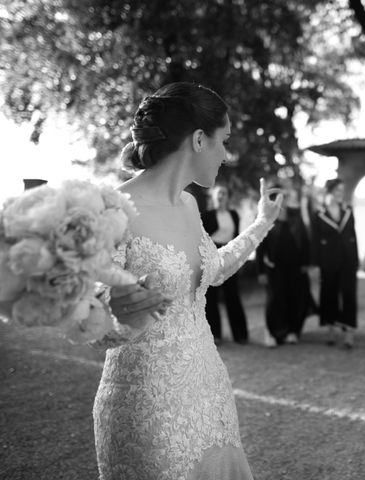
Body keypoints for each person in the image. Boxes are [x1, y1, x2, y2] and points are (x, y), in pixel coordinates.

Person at [93, 82, 283, 480]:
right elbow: (92, 326)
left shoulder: (189, 204)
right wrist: (122, 316)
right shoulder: (112, 210)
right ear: (199, 139)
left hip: (209, 388)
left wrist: (262, 223)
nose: (226, 156)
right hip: (149, 405)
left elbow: (214, 271)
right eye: (224, 141)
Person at [256, 183, 312, 347]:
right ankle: (272, 332)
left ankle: (292, 331)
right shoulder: (266, 219)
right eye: (280, 197)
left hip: (296, 268)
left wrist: (306, 263)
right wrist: (261, 272)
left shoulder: (296, 217)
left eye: (285, 197)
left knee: (295, 299)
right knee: (275, 300)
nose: (284, 201)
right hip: (274, 269)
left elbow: (306, 242)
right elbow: (259, 247)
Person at [310, 178, 359, 348]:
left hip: (348, 260)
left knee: (349, 295)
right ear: (329, 191)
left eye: (342, 190)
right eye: (338, 190)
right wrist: (316, 264)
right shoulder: (318, 214)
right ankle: (330, 329)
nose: (341, 193)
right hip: (328, 261)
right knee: (329, 294)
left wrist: (356, 260)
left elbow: (353, 236)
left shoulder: (348, 211)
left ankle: (349, 332)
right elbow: (314, 241)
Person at [201, 185, 249, 344]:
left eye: (224, 193)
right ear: (214, 197)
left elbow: (236, 237)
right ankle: (216, 335)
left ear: (228, 197)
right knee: (212, 297)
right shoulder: (206, 215)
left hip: (229, 255)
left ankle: (240, 335)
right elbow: (202, 238)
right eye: (218, 193)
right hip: (212, 254)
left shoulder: (234, 214)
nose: (221, 196)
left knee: (233, 295)